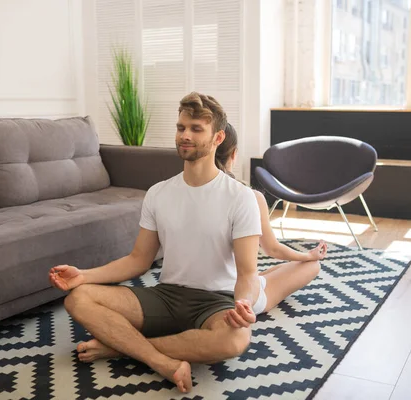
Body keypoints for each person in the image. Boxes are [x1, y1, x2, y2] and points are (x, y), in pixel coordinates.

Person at [49, 92, 263, 394]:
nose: (185, 135)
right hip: (165, 297)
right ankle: (160, 360)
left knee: (236, 339)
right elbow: (138, 260)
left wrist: (244, 304)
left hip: (215, 301)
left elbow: (247, 272)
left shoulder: (240, 197)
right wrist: (83, 275)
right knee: (77, 298)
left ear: (218, 138)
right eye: (180, 128)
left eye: (195, 129)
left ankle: (121, 348)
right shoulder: (159, 193)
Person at [215, 123, 326, 327]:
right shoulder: (251, 197)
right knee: (311, 265)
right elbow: (272, 248)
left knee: (266, 272)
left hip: (200, 291)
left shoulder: (188, 193)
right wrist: (308, 255)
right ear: (234, 154)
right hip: (241, 298)